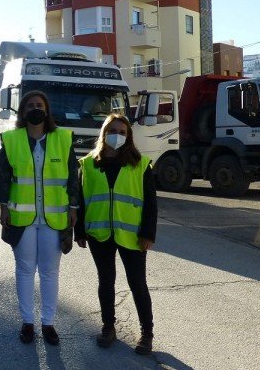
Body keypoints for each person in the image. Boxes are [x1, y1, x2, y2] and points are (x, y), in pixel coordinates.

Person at [0, 90, 79, 345]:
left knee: (50, 271)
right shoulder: (12, 139)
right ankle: (28, 322)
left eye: (39, 105)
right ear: (23, 112)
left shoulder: (63, 138)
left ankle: (48, 323)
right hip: (23, 219)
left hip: (54, 218)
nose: (35, 109)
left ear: (47, 110)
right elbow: (2, 178)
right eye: (30, 105)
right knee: (25, 270)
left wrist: (73, 207)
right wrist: (3, 208)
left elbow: (73, 176)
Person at [74, 114, 157, 355]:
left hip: (132, 234)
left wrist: (148, 234)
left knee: (137, 283)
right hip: (99, 233)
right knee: (106, 281)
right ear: (104, 133)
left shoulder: (140, 164)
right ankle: (108, 327)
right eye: (113, 131)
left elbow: (150, 203)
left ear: (128, 136)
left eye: (122, 132)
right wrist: (80, 231)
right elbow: (80, 200)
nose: (117, 136)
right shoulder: (88, 164)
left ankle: (147, 333)